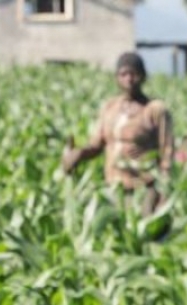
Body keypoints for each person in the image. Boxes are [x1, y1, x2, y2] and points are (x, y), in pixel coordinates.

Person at [61, 51, 174, 216]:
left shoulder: (155, 110)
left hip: (144, 188)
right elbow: (96, 145)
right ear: (116, 78)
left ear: (143, 77)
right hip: (114, 187)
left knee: (144, 228)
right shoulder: (109, 107)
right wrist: (78, 154)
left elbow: (167, 154)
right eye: (123, 74)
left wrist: (164, 193)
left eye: (134, 74)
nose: (129, 79)